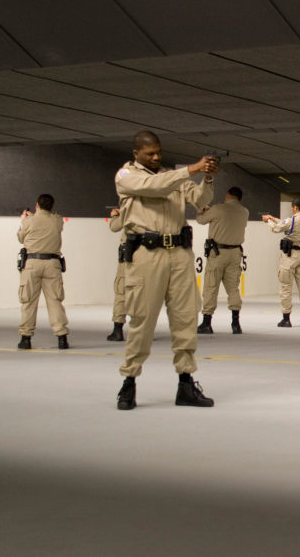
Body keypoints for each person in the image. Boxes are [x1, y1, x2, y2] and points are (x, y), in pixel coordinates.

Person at [113, 130, 218, 411]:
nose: (156, 157)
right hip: (148, 255)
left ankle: (186, 383)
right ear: (136, 153)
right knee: (142, 321)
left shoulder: (173, 175)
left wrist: (206, 177)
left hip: (180, 254)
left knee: (185, 319)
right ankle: (129, 382)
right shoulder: (126, 176)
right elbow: (154, 187)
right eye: (150, 153)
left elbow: (198, 198)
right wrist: (191, 169)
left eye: (158, 152)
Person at [16, 194, 70, 350]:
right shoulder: (57, 220)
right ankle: (62, 338)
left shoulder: (28, 221)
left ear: (36, 205)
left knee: (28, 302)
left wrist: (24, 220)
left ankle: (25, 338)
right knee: (55, 301)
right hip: (53, 264)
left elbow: (20, 238)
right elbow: (49, 220)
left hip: (32, 264)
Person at [195, 187, 249, 335]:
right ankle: (235, 323)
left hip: (218, 253)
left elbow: (201, 221)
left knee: (211, 286)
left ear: (228, 195)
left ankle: (207, 322)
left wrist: (202, 210)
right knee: (233, 288)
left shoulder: (218, 208)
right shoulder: (244, 211)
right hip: (235, 253)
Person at [263, 200, 300, 328]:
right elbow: (286, 224)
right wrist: (274, 218)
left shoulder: (292, 220)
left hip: (290, 256)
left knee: (285, 287)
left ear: (295, 208)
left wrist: (268, 221)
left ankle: (286, 318)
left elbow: (277, 228)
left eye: (292, 208)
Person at [108, 202, 128, 341]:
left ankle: (117, 329)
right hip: (148, 258)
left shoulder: (130, 209)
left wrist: (116, 216)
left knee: (121, 292)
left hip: (129, 258)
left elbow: (114, 227)